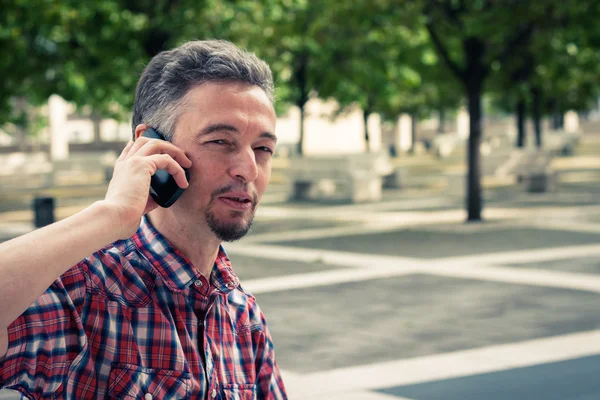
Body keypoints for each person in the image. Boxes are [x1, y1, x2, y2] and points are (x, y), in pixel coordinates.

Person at [0, 40, 287, 400]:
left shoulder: (245, 318)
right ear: (150, 146)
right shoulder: (88, 290)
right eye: (220, 141)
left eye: (263, 149)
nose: (248, 169)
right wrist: (112, 214)